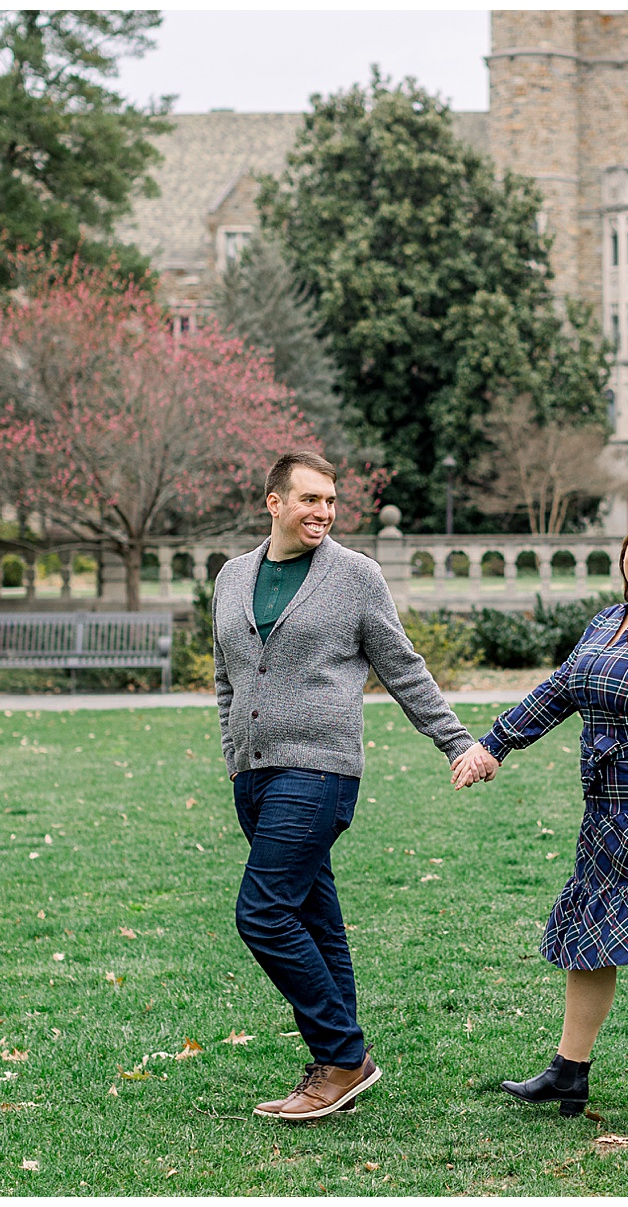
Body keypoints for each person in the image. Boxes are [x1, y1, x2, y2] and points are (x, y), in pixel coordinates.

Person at [214, 450, 487, 1121]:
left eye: (331, 501)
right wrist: (232, 751)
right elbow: (227, 674)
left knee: (262, 911)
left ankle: (341, 1054)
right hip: (255, 773)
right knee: (312, 916)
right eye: (310, 499)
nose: (324, 512)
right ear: (274, 501)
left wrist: (456, 741)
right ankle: (339, 1061)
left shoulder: (355, 576)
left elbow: (403, 666)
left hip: (319, 769)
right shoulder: (232, 576)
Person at [451, 507, 628, 1134]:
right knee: (590, 938)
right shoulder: (608, 623)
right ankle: (568, 1070)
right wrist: (493, 745)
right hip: (608, 811)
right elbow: (559, 691)